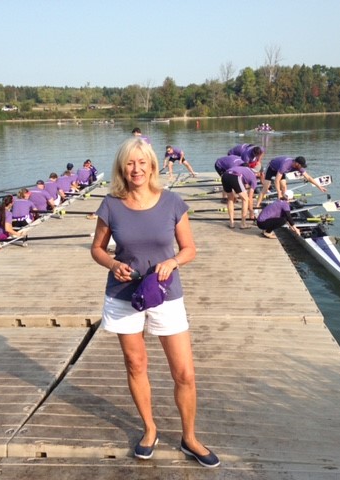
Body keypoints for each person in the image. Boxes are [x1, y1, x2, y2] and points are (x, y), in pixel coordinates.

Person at [90, 137, 220, 468]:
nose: (136, 169)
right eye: (130, 163)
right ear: (122, 167)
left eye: (142, 162)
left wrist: (173, 262)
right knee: (136, 364)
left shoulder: (172, 202)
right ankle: (150, 430)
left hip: (165, 294)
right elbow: (98, 249)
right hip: (123, 295)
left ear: (151, 165)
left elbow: (189, 248)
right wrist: (112, 263)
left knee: (185, 373)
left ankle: (189, 438)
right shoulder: (110, 204)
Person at [255, 155, 327, 208]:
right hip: (271, 168)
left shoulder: (298, 167)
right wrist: (279, 193)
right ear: (297, 163)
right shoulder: (286, 165)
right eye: (301, 165)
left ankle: (283, 205)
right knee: (265, 188)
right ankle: (257, 207)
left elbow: (308, 177)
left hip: (280, 171)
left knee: (284, 186)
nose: (301, 167)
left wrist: (319, 186)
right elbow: (277, 180)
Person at [220, 163, 257, 229]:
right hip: (235, 176)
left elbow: (243, 185)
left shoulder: (244, 169)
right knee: (245, 199)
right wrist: (251, 211)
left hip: (225, 175)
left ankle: (232, 223)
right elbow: (250, 198)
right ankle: (243, 224)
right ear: (258, 173)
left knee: (230, 199)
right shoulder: (253, 178)